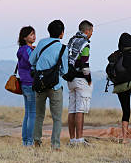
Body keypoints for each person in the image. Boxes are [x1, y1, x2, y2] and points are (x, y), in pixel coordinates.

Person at [29, 20, 69, 150]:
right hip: (55, 86)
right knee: (57, 118)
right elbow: (65, 70)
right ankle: (55, 145)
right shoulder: (63, 48)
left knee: (39, 115)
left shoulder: (41, 43)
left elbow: (31, 60)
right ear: (62, 33)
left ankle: (36, 141)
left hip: (40, 83)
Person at [66, 20, 94, 146]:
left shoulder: (71, 41)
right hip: (80, 79)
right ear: (87, 31)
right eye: (92, 31)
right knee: (80, 110)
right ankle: (80, 140)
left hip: (70, 79)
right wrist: (88, 79)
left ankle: (72, 140)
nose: (91, 34)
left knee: (71, 110)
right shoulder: (85, 44)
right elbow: (85, 64)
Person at [16, 26, 36, 146]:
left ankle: (25, 141)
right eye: (30, 34)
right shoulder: (28, 50)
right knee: (33, 113)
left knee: (28, 113)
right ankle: (29, 141)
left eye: (34, 34)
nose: (33, 36)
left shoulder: (22, 50)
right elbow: (33, 61)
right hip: (31, 83)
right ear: (24, 37)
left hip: (24, 83)